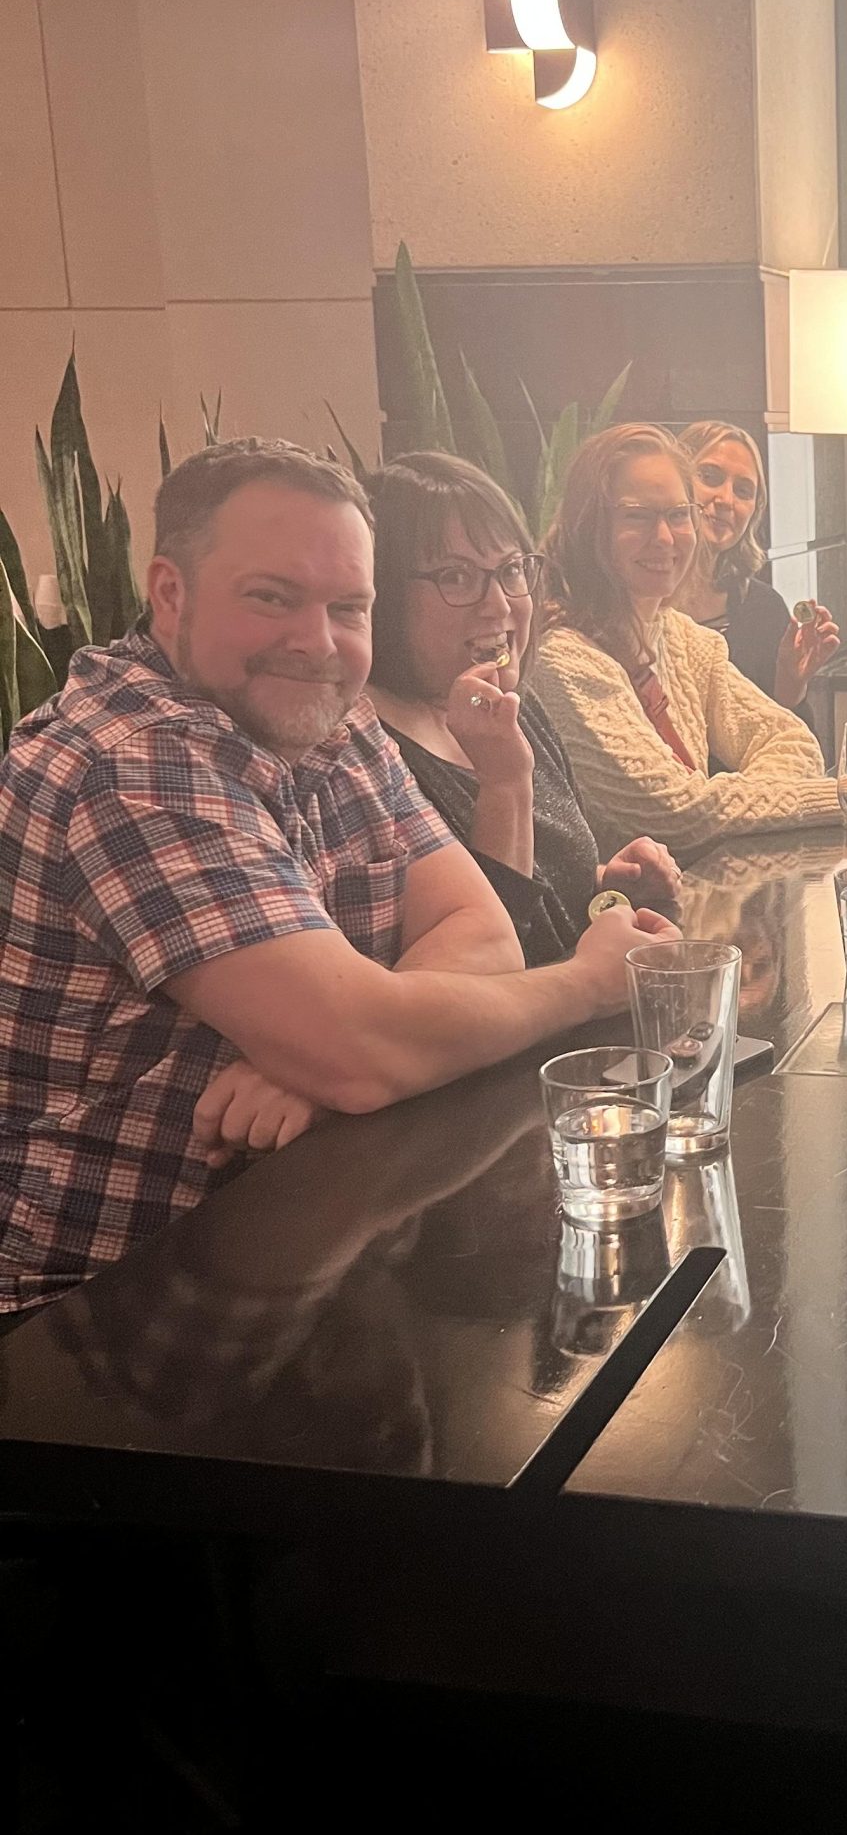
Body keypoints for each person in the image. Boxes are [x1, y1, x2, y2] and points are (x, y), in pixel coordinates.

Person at [0, 440, 667, 1312]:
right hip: (109, 1307)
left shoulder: (336, 715)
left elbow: (482, 933)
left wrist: (328, 1051)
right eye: (271, 597)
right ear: (170, 593)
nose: (317, 642)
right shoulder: (133, 764)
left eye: (347, 606)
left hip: (314, 1236)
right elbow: (361, 1052)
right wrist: (587, 982)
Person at [532, 424, 847, 855]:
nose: (665, 538)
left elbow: (795, 742)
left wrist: (725, 806)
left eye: (677, 515)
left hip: (715, 875)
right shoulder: (563, 658)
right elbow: (677, 812)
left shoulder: (684, 637)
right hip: (638, 898)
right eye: (637, 516)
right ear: (587, 527)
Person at [362, 451, 681, 966]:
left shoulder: (517, 705)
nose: (499, 604)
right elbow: (486, 958)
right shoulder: (370, 755)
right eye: (457, 577)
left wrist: (605, 886)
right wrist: (504, 783)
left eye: (511, 570)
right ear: (384, 594)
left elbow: (541, 897)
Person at [672, 420, 841, 714]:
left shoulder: (763, 608)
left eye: (743, 490)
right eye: (710, 477)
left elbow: (787, 732)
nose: (726, 499)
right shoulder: (636, 605)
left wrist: (791, 683)